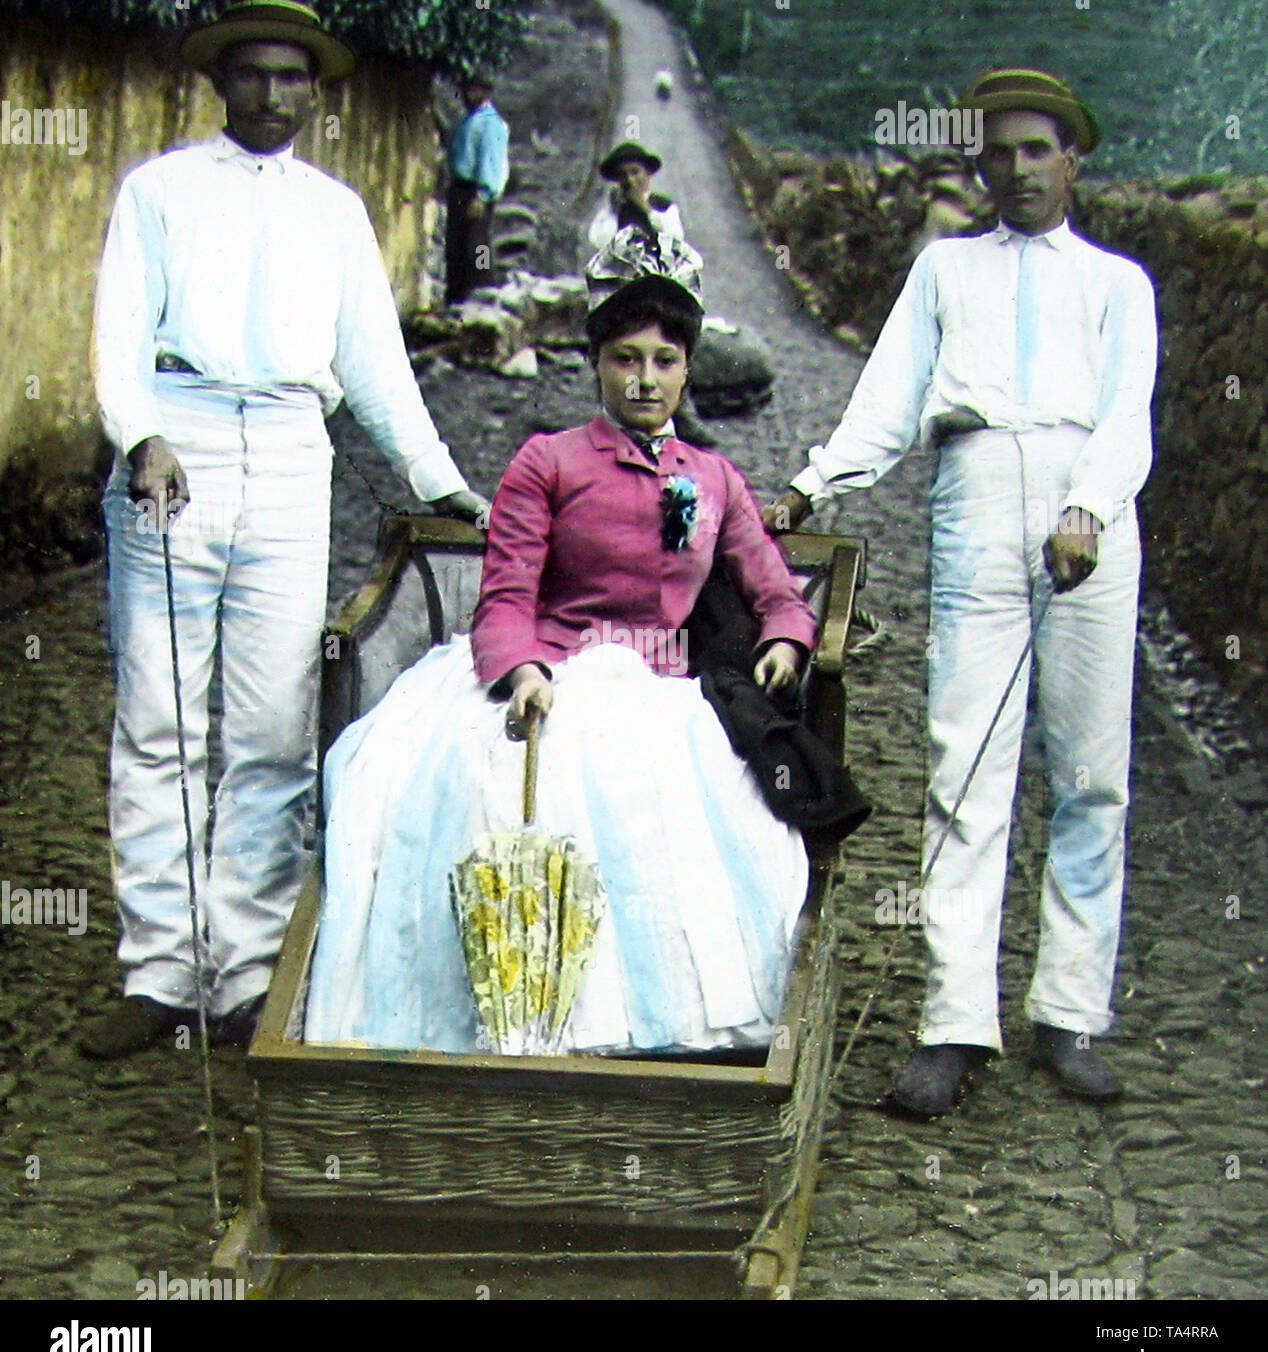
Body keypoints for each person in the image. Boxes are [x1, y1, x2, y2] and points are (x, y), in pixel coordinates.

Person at [81, 1, 488, 1060]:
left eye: (291, 79)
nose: (272, 95)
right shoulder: (158, 192)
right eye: (253, 75)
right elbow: (119, 333)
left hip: (293, 456)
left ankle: (244, 972)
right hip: (180, 450)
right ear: (222, 82)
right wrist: (141, 436)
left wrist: (439, 482)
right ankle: (158, 972)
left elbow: (374, 365)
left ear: (316, 91)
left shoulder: (335, 212)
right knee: (164, 716)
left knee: (271, 725)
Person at [304, 234, 818, 1055]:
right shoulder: (549, 461)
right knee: (483, 785)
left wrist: (788, 637)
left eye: (663, 361)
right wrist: (523, 671)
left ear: (688, 372)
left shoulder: (713, 476)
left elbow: (771, 584)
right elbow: (506, 593)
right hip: (558, 668)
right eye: (623, 359)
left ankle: (668, 1031)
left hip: (659, 683)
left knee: (703, 803)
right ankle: (510, 1023)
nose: (644, 380)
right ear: (596, 364)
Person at [765, 69, 1158, 1114]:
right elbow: (887, 400)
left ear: (1073, 160)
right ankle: (951, 1023)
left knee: (1087, 774)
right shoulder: (943, 271)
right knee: (963, 761)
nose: (1018, 169)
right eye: (1000, 151)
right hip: (975, 497)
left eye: (1039, 150)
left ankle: (1068, 1011)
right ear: (979, 163)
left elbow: (1127, 417)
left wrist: (1086, 506)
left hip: (1092, 517)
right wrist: (810, 481)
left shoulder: (1119, 285)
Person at [445, 73, 510, 306]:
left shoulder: (490, 123)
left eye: (473, 90)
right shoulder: (470, 121)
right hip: (459, 189)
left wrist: (482, 195)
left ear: (485, 92)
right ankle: (457, 298)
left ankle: (483, 289)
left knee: (477, 243)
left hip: (475, 191)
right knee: (457, 246)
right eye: (465, 90)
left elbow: (490, 161)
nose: (467, 96)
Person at [587, 141, 685, 250]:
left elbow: (675, 239)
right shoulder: (609, 212)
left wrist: (646, 208)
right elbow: (599, 243)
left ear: (647, 173)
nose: (630, 179)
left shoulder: (664, 206)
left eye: (635, 172)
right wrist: (615, 212)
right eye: (623, 175)